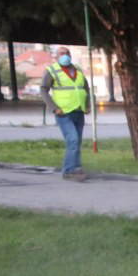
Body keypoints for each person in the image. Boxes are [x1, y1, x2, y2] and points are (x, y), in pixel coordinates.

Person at [40, 46, 91, 182]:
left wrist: (87, 105)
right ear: (56, 56)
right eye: (61, 53)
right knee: (73, 139)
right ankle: (69, 170)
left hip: (78, 110)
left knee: (77, 141)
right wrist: (54, 108)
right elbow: (44, 90)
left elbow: (85, 88)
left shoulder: (78, 70)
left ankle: (76, 167)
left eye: (67, 53)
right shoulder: (52, 70)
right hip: (63, 112)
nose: (65, 55)